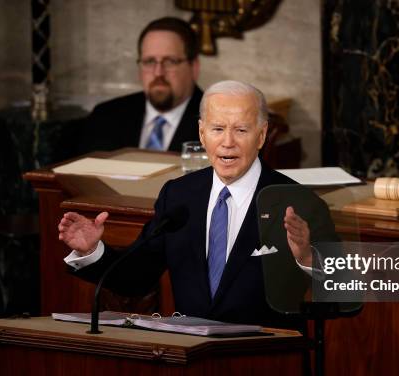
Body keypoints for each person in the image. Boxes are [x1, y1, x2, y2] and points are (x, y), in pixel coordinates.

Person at [58, 80, 337, 326]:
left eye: (241, 130)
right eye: (217, 129)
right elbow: (138, 276)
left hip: (265, 363)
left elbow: (343, 293)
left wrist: (308, 259)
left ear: (262, 135)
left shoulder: (298, 204)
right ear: (202, 134)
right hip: (190, 362)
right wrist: (93, 250)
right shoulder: (179, 196)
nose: (228, 142)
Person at [74, 17, 203, 155]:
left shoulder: (218, 123)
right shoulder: (105, 116)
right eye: (149, 61)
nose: (158, 72)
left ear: (194, 67)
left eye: (170, 61)